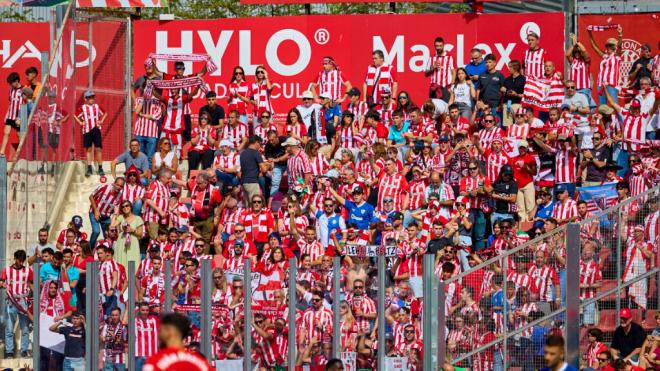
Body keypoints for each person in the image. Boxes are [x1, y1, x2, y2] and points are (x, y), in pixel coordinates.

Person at [143, 312, 213, 370]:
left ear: (169, 331)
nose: (159, 333)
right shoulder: (201, 363)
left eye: (161, 330)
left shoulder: (156, 362)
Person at [0, 249, 32, 358]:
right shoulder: (7, 270)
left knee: (25, 328)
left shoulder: (28, 271)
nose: (21, 262)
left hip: (23, 303)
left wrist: (34, 295)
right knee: (9, 328)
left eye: (23, 260)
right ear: (15, 258)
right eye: (19, 260)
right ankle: (9, 351)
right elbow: (1, 282)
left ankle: (24, 350)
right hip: (11, 302)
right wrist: (2, 285)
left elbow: (32, 285)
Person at [588, 24, 623, 105]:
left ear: (614, 46)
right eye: (607, 45)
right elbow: (594, 45)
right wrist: (589, 33)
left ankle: (621, 118)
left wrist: (620, 35)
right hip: (600, 85)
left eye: (610, 45)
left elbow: (620, 46)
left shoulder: (617, 56)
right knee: (602, 108)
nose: (608, 47)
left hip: (611, 85)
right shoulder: (604, 56)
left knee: (615, 107)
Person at [75, 90, 107, 177]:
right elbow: (75, 115)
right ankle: (89, 168)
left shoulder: (97, 106)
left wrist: (101, 121)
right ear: (85, 99)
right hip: (87, 130)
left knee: (98, 149)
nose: (92, 99)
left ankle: (100, 168)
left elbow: (105, 113)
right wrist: (81, 123)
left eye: (93, 97)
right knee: (88, 149)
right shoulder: (83, 108)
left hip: (96, 129)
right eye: (89, 98)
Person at [88, 177, 125, 248]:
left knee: (109, 235)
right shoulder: (104, 187)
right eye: (117, 185)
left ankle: (108, 252)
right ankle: (89, 249)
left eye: (121, 186)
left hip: (106, 217)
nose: (119, 187)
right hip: (94, 212)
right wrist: (96, 210)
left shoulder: (120, 195)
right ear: (114, 184)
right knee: (96, 231)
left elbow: (116, 210)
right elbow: (91, 196)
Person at [111, 199, 145, 267]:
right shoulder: (121, 217)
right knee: (120, 262)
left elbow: (140, 234)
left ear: (131, 207)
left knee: (132, 263)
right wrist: (115, 213)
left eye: (127, 206)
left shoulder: (138, 218)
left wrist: (133, 230)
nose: (125, 208)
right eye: (123, 207)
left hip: (132, 244)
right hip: (121, 243)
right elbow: (112, 225)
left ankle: (131, 277)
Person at [239, 135, 271, 207]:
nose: (260, 146)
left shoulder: (242, 153)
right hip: (252, 182)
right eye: (260, 144)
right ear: (256, 142)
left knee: (248, 207)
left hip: (244, 182)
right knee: (256, 206)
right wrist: (269, 165)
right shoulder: (256, 153)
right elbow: (263, 170)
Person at [133, 96, 162, 165]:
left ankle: (149, 174)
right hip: (139, 132)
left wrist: (142, 114)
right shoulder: (139, 99)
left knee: (150, 157)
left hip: (151, 134)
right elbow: (137, 111)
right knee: (139, 156)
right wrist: (143, 100)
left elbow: (156, 116)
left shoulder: (157, 101)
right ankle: (140, 173)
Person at [1, 72, 23, 156]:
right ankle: (1, 152)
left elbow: (25, 104)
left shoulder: (23, 89)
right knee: (6, 133)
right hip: (10, 116)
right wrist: (7, 115)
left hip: (18, 118)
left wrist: (20, 118)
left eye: (11, 83)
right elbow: (11, 103)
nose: (10, 85)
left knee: (19, 136)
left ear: (16, 81)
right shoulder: (11, 90)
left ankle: (20, 154)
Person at [425, 36, 455, 101]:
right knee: (433, 109)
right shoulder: (432, 57)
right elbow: (426, 74)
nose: (438, 48)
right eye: (437, 46)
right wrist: (433, 68)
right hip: (434, 88)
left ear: (443, 45)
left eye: (440, 46)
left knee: (446, 108)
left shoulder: (449, 57)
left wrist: (451, 87)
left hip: (445, 88)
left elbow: (454, 72)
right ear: (434, 46)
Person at [477, 54, 505, 120]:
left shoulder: (500, 75)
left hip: (496, 106)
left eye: (489, 62)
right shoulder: (482, 75)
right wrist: (478, 102)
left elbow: (503, 92)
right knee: (483, 126)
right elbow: (478, 89)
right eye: (486, 62)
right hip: (484, 106)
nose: (487, 64)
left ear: (495, 63)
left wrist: (501, 105)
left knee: (497, 126)